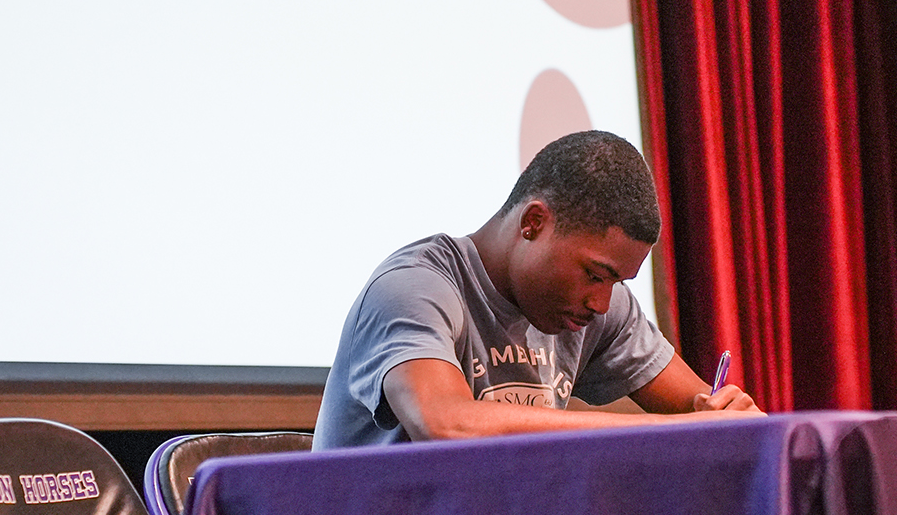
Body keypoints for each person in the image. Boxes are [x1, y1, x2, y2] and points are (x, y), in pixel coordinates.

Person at [314, 130, 762, 447]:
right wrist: (672, 430)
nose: (602, 303)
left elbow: (701, 411)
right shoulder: (414, 287)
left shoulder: (599, 308)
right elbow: (447, 423)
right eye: (594, 274)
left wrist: (725, 415)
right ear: (533, 223)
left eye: (617, 283)